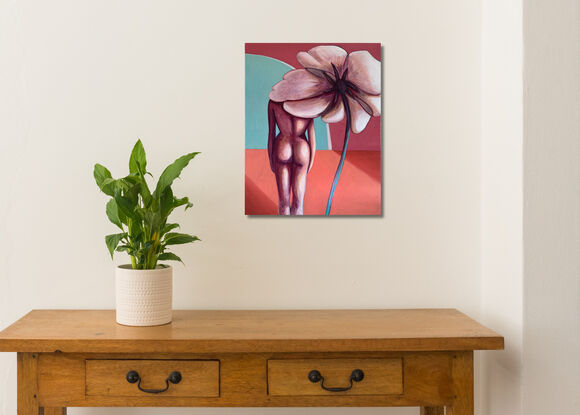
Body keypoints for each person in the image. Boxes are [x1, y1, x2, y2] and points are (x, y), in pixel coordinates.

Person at [267, 100, 316, 215]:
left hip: (282, 146)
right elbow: (312, 137)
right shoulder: (309, 101)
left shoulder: (274, 102)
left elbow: (271, 134)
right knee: (298, 205)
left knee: (283, 204)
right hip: (302, 149)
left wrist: (271, 159)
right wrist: (311, 161)